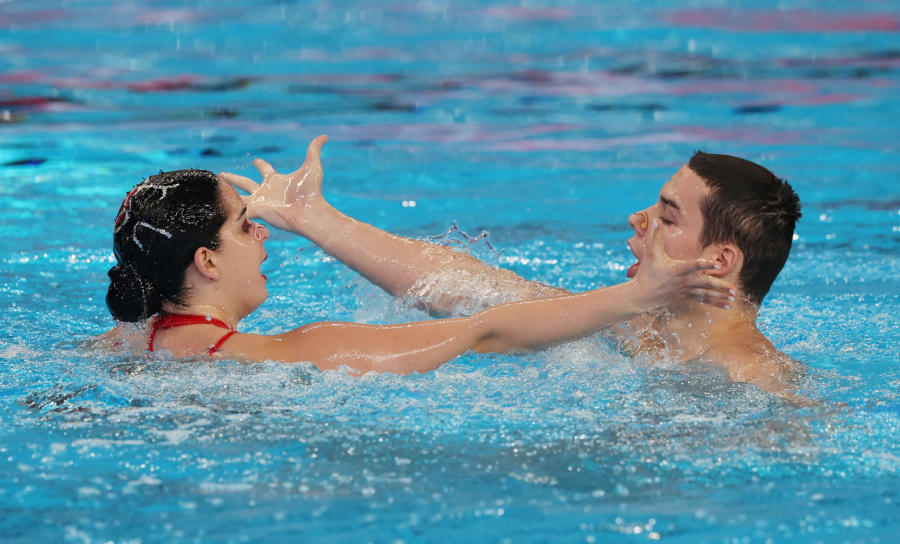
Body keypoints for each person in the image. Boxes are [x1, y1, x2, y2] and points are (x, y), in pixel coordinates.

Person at [101, 138, 735, 375]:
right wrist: (636, 296)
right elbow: (482, 326)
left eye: (667, 215)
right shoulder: (291, 352)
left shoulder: (129, 344)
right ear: (207, 263)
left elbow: (483, 292)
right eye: (245, 226)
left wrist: (319, 221)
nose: (263, 234)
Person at [220, 136, 802, 391]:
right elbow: (460, 286)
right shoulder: (632, 324)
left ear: (720, 260)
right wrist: (314, 217)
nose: (638, 218)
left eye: (668, 216)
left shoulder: (753, 378)